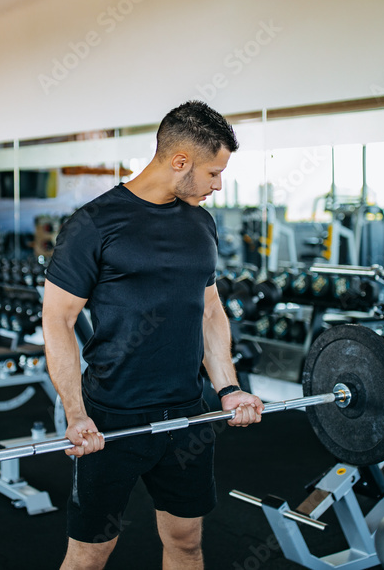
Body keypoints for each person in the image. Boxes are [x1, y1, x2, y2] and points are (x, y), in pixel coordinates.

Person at [42, 100, 265, 570]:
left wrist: (227, 387)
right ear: (180, 162)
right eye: (213, 173)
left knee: (186, 542)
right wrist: (76, 414)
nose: (218, 185)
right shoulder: (94, 224)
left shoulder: (201, 223)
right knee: (89, 555)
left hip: (187, 415)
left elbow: (209, 309)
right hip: (113, 418)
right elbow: (58, 320)